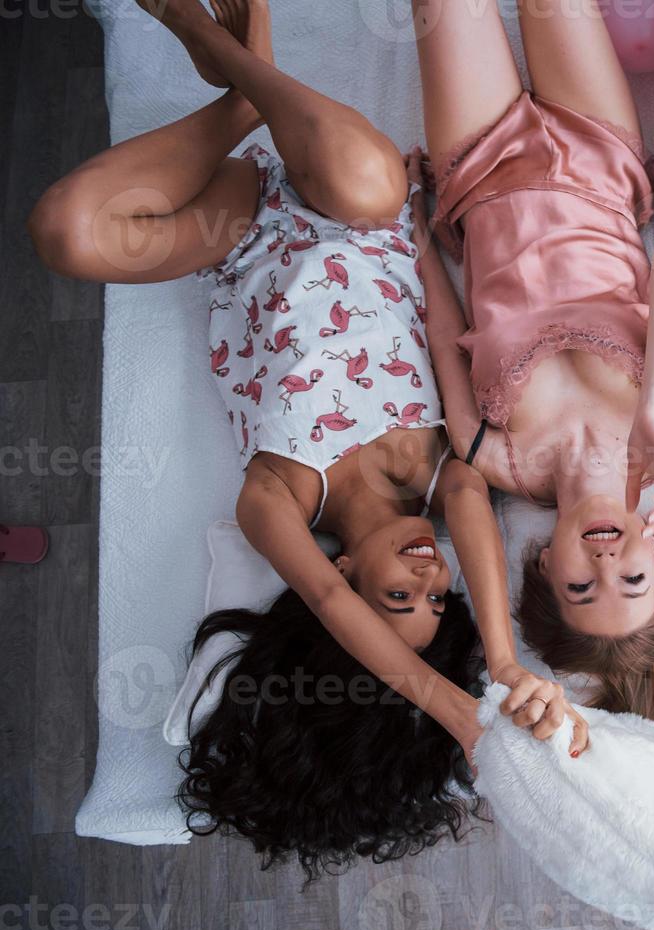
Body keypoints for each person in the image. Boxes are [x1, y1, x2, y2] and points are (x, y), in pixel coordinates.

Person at [28, 0, 582, 877]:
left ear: (352, 584)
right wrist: (504, 665)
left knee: (65, 231)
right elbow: (440, 337)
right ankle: (240, 64)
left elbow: (324, 604)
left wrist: (451, 710)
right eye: (438, 604)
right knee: (368, 181)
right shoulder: (439, 474)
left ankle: (240, 94)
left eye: (399, 599)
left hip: (238, 233)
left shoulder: (276, 498)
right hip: (355, 211)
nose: (427, 581)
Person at [409, 0, 654, 728]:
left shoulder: (495, 457)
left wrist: (416, 226)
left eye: (584, 589)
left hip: (476, 172)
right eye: (634, 579)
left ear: (546, 569)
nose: (606, 564)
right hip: (600, 157)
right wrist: (650, 410)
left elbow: (443, 323)